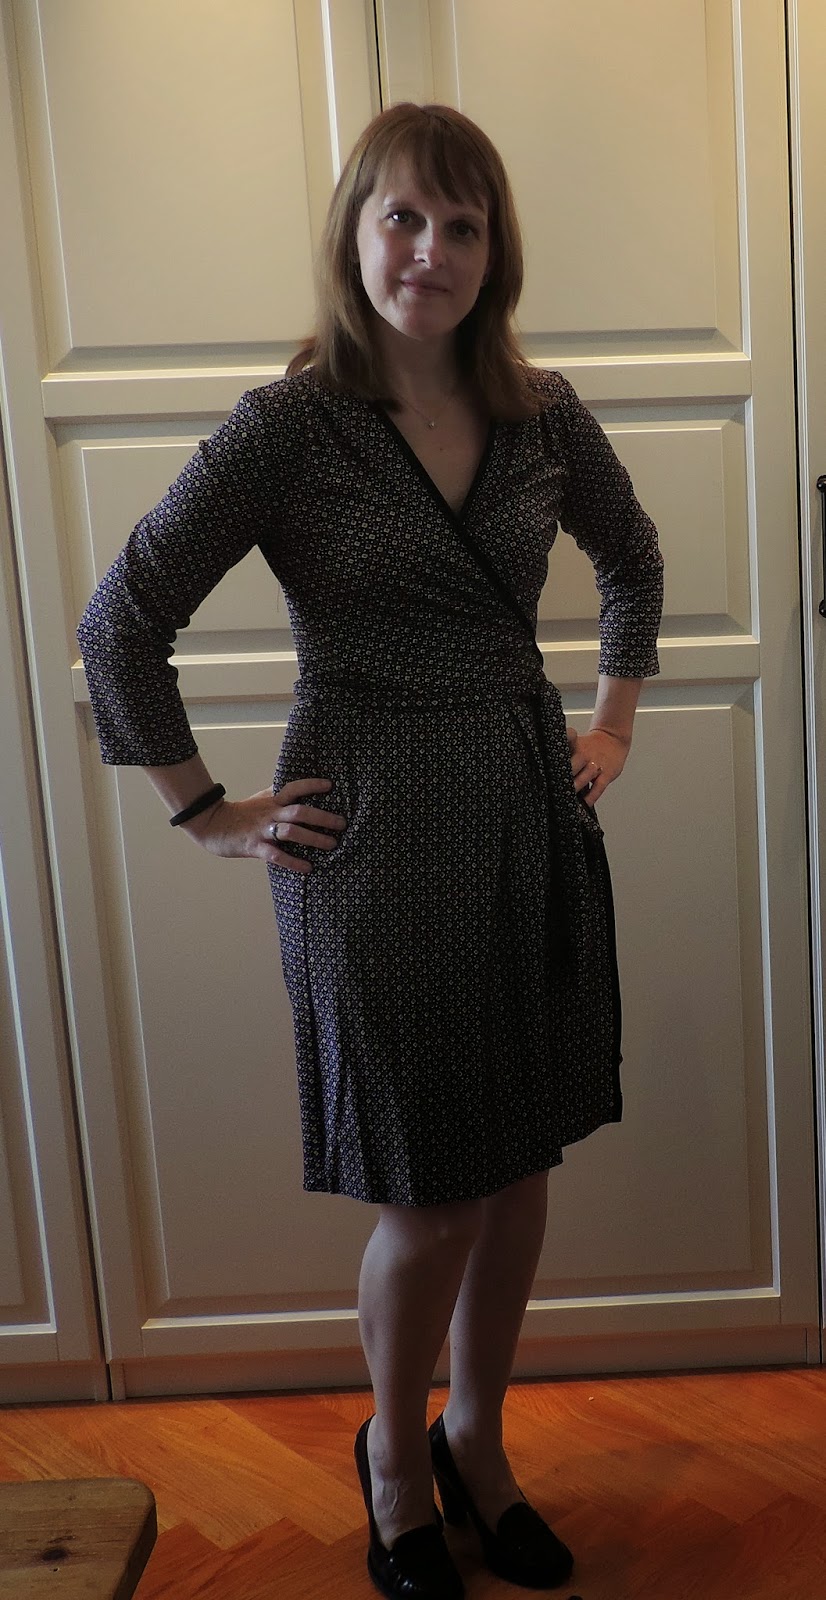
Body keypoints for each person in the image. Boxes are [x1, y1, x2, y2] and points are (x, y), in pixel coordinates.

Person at [78, 103, 663, 1600]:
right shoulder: (289, 428)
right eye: (402, 216)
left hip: (526, 819)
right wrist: (205, 811)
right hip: (371, 844)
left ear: (494, 250)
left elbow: (632, 555)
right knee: (433, 1192)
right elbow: (119, 622)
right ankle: (394, 1467)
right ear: (353, 233)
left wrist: (612, 722)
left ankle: (480, 1444)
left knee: (518, 1170)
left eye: (462, 225)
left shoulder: (542, 413)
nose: (430, 252)